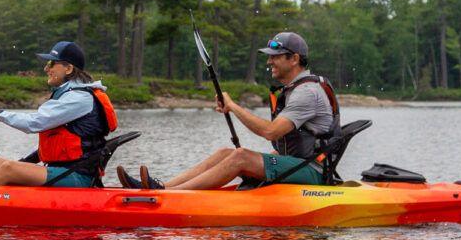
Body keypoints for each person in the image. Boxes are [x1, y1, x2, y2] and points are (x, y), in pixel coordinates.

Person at [117, 32, 340, 190]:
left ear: (294, 59)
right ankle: (162, 186)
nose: (269, 61)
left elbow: (272, 132)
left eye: (275, 56)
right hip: (297, 163)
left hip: (312, 170)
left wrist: (233, 106)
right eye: (269, 56)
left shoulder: (307, 92)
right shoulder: (296, 89)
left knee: (240, 156)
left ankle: (170, 195)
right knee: (227, 153)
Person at [0, 41, 118, 187]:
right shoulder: (69, 95)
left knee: (8, 169)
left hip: (78, 176)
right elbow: (56, 145)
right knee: (0, 163)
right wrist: (25, 164)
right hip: (64, 171)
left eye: (51, 63)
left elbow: (35, 122)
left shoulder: (79, 98)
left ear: (68, 68)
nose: (46, 68)